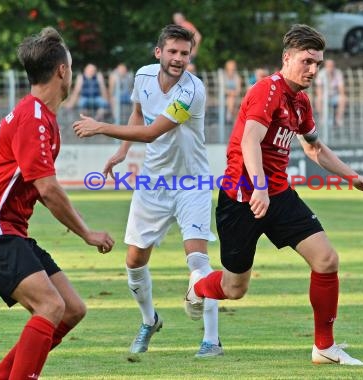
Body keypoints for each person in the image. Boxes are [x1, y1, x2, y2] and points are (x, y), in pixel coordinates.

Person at [183, 24, 363, 365]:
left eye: (318, 63)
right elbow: (249, 141)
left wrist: (353, 177)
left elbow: (315, 149)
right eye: (307, 61)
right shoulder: (267, 91)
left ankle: (323, 346)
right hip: (242, 199)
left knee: (326, 260)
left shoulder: (301, 102)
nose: (313, 70)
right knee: (235, 289)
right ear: (287, 58)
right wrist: (258, 187)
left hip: (278, 195)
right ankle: (198, 287)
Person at [0, 27, 115, 380]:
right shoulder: (33, 119)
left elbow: (39, 188)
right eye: (70, 67)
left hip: (7, 229)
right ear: (62, 71)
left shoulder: (40, 117)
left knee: (71, 309)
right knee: (50, 305)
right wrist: (87, 233)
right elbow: (48, 189)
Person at [73, 25, 223, 358]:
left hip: (191, 183)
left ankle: (211, 341)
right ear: (159, 52)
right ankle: (149, 320)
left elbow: (153, 132)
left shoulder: (192, 91)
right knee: (134, 261)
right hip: (153, 183)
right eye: (172, 51)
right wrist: (121, 151)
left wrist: (100, 127)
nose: (178, 59)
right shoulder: (142, 77)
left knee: (198, 260)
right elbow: (139, 114)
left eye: (184, 53)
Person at [315, 59, 347, 128]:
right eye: (329, 66)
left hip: (334, 95)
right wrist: (321, 96)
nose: (330, 67)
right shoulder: (321, 74)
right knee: (318, 99)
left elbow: (341, 88)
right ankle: (322, 118)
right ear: (326, 66)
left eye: (332, 66)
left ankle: (339, 118)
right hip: (324, 95)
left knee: (343, 98)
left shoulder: (338, 73)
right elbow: (319, 88)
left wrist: (342, 95)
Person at [223, 59, 242, 123]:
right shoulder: (223, 77)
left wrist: (233, 93)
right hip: (225, 97)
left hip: (234, 97)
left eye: (233, 69)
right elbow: (223, 90)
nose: (231, 71)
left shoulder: (237, 77)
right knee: (230, 99)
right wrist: (230, 92)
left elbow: (238, 90)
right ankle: (235, 117)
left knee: (231, 99)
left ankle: (230, 114)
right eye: (230, 69)